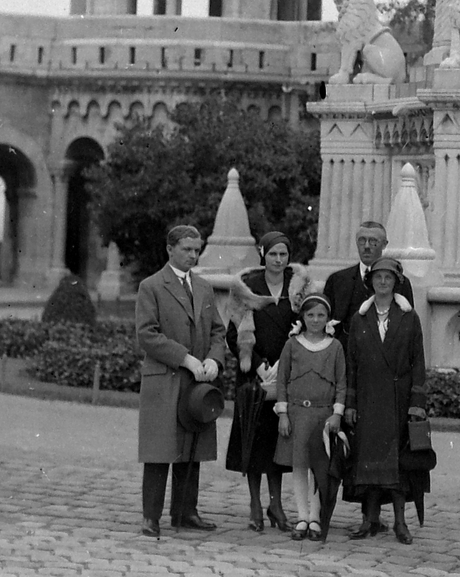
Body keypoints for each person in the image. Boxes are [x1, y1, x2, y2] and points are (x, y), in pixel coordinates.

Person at [134, 224, 226, 538]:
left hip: (197, 381)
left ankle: (185, 512)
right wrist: (184, 357)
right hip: (166, 378)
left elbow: (217, 330)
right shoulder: (152, 286)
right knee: (160, 449)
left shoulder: (204, 287)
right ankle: (151, 517)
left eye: (196, 249)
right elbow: (147, 334)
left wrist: (214, 358)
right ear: (170, 249)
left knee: (193, 445)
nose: (192, 255)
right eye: (186, 249)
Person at [225, 230, 314, 533]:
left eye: (283, 254)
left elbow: (308, 325)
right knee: (253, 439)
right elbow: (233, 331)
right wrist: (260, 364)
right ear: (263, 254)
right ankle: (254, 504)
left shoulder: (299, 287)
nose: (278, 260)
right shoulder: (248, 286)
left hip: (286, 374)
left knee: (278, 442)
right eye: (273, 253)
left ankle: (275, 504)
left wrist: (284, 364)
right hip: (254, 374)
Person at [343, 257, 428, 545]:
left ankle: (401, 523)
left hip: (398, 400)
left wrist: (417, 402)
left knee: (398, 465)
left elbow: (418, 362)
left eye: (388, 278)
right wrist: (351, 403)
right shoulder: (359, 319)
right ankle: (370, 520)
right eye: (378, 277)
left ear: (396, 282)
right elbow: (351, 365)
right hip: (368, 400)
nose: (382, 282)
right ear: (371, 282)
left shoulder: (408, 317)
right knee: (368, 462)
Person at [274, 293, 345, 541]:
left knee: (319, 467)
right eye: (310, 315)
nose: (315, 320)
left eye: (321, 315)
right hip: (296, 413)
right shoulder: (292, 345)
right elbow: (281, 380)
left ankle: (316, 517)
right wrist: (283, 414)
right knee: (299, 465)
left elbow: (341, 384)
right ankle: (302, 516)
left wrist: (337, 414)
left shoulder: (335, 347)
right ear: (302, 317)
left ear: (328, 318)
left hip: (323, 414)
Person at [323, 220, 413, 353]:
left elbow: (408, 328)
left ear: (384, 245)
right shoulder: (338, 280)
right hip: (345, 357)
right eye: (361, 240)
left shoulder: (400, 282)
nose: (366, 246)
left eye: (373, 241)